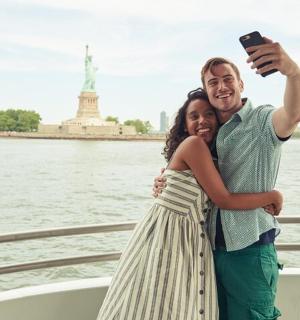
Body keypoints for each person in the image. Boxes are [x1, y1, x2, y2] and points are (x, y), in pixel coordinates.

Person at [97, 89, 282, 320]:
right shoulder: (193, 144)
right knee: (155, 307)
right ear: (185, 125)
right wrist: (273, 196)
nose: (202, 120)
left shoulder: (211, 155)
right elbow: (223, 199)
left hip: (187, 241)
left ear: (218, 119)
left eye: (208, 114)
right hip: (168, 240)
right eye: (194, 116)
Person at [153, 36, 300, 320]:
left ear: (241, 84)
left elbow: (292, 115)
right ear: (207, 92)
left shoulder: (261, 121)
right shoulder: (209, 137)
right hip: (207, 253)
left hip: (249, 251)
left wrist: (292, 72)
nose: (221, 86)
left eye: (228, 79)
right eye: (212, 82)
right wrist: (164, 180)